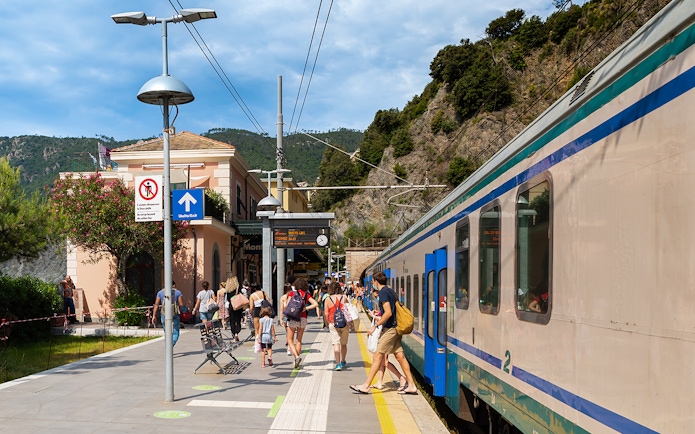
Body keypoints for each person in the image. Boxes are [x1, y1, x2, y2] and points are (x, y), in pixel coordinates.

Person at [350, 271, 417, 395]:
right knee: (399, 356)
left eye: (373, 282)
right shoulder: (390, 290)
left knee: (377, 355)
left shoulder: (383, 292)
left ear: (375, 281)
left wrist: (375, 325)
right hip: (395, 327)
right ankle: (411, 384)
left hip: (390, 329)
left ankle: (366, 385)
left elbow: (388, 313)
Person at [282, 277, 318, 369]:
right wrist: (305, 308)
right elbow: (315, 304)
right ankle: (296, 361)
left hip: (293, 318)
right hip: (303, 318)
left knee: (290, 339)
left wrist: (284, 316)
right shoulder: (306, 294)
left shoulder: (292, 293)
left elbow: (287, 306)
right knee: (299, 340)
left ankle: (297, 357)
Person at [324, 281, 350, 371]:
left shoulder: (327, 299)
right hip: (345, 323)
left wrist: (328, 323)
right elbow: (348, 311)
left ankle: (338, 364)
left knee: (336, 343)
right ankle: (343, 360)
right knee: (344, 344)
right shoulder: (344, 297)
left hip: (333, 323)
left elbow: (326, 313)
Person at [151, 281, 184, 346]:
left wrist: (154, 315)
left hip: (164, 314)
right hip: (174, 314)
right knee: (175, 332)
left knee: (167, 332)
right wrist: (178, 309)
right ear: (173, 285)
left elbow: (156, 304)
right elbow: (181, 304)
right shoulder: (177, 292)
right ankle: (171, 344)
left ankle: (168, 346)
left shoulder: (160, 292)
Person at [225, 275, 244, 341]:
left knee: (232, 321)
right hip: (238, 305)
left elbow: (227, 299)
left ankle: (234, 335)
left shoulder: (228, 290)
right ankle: (237, 332)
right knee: (238, 320)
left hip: (231, 306)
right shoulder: (238, 288)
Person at [279, 282, 293, 356]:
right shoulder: (293, 296)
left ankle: (289, 347)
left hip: (286, 316)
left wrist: (280, 319)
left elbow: (281, 309)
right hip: (291, 316)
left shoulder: (282, 298)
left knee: (288, 331)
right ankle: (289, 347)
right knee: (289, 332)